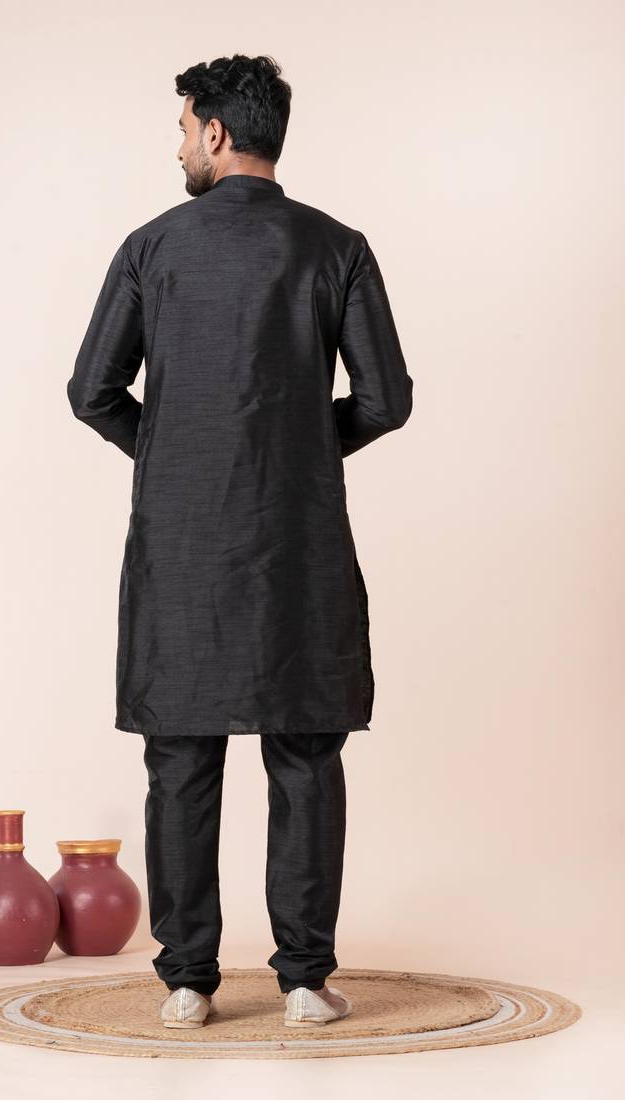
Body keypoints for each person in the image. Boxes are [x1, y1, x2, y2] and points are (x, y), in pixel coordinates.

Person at [66, 53, 413, 1029]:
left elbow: (92, 390)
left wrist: (171, 448)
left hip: (181, 542)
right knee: (305, 755)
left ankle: (186, 983)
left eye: (183, 128)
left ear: (216, 133)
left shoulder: (152, 247)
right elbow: (386, 399)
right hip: (297, 539)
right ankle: (303, 982)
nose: (179, 145)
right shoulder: (338, 247)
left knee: (180, 756)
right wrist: (299, 444)